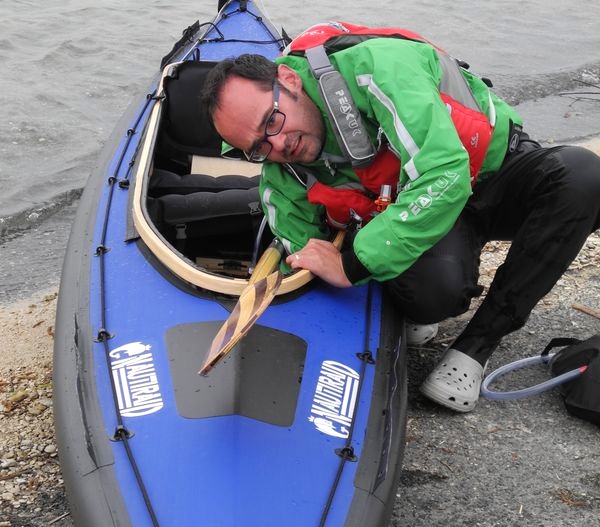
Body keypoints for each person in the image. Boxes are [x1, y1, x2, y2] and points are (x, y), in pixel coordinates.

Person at [199, 27, 600, 413]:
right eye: (258, 147)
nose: (279, 143)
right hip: (423, 208)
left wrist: (353, 264)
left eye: (272, 120)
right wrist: (308, 261)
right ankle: (415, 304)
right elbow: (301, 246)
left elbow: (445, 171)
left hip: (493, 174)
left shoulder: (379, 68)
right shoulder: (280, 171)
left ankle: (475, 347)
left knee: (581, 177)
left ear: (288, 79)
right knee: (433, 297)